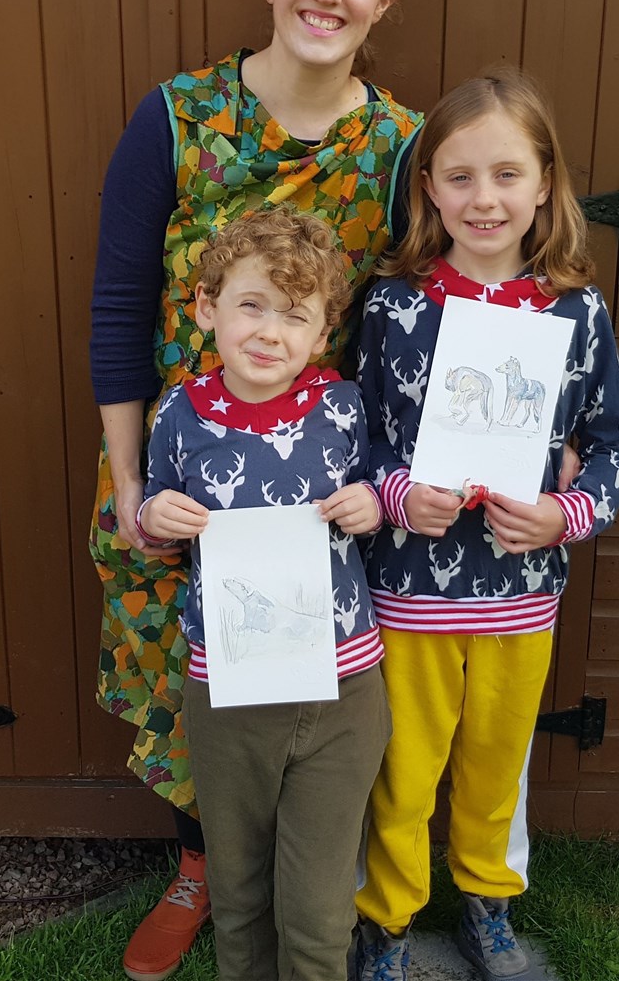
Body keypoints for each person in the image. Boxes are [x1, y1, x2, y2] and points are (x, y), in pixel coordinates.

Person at [89, 0, 421, 981]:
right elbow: (119, 305)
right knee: (193, 676)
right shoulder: (178, 117)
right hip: (184, 473)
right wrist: (133, 485)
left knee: (310, 691)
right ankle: (203, 867)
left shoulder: (403, 147)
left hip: (322, 480)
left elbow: (428, 311)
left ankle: (319, 895)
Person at [354, 69, 619, 981]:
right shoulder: (394, 304)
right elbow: (352, 442)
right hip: (410, 595)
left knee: (495, 768)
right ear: (428, 186)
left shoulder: (575, 310)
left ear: (546, 183)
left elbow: (614, 444)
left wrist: (565, 511)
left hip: (521, 600)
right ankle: (387, 923)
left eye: (508, 174)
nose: (485, 199)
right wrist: (401, 496)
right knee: (403, 772)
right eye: (461, 176)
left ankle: (487, 904)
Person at [136, 209, 390, 981]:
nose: (270, 331)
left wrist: (373, 504)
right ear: (208, 307)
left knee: (316, 911)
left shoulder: (344, 408)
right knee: (242, 896)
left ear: (321, 335)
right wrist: (154, 514)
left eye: (295, 315)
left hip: (341, 688)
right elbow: (155, 520)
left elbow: (385, 498)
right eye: (252, 305)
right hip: (231, 694)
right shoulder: (180, 415)